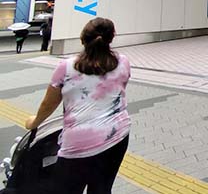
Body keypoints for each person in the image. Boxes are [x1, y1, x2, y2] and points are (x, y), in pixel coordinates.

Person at [25, 18, 130, 194]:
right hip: (118, 134)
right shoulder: (123, 62)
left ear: (83, 39)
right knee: (102, 189)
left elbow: (49, 104)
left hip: (78, 142)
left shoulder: (66, 67)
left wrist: (34, 122)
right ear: (111, 38)